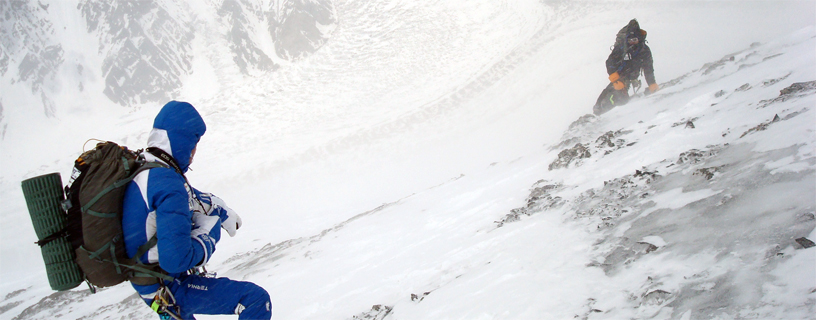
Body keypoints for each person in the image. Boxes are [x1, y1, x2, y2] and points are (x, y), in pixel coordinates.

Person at [122, 100, 272, 320]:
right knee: (256, 300)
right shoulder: (168, 184)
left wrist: (218, 207)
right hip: (169, 287)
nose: (193, 153)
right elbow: (176, 260)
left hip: (150, 286)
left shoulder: (146, 168)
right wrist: (209, 234)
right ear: (178, 141)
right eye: (192, 145)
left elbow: (190, 198)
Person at [593, 19, 659, 115]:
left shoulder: (644, 51)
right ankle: (600, 109)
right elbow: (609, 63)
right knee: (619, 96)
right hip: (620, 76)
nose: (632, 42)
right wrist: (615, 79)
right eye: (630, 40)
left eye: (635, 40)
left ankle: (602, 110)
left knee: (621, 98)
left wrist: (652, 84)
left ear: (639, 39)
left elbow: (648, 69)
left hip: (631, 76)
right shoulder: (621, 48)